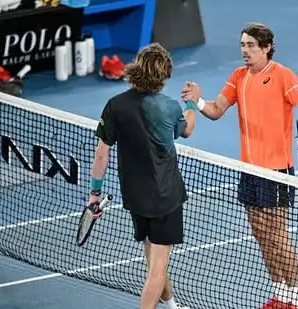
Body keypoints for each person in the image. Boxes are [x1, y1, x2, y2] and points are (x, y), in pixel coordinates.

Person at [181, 23, 298, 309]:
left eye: (251, 46)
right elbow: (217, 110)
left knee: (277, 234)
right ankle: (279, 294)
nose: (245, 50)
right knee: (260, 233)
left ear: (266, 48)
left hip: (277, 170)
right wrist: (198, 101)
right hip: (249, 170)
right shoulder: (238, 77)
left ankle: (295, 299)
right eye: (242, 45)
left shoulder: (283, 76)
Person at [88, 43, 196, 309]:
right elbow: (188, 129)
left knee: (153, 260)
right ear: (163, 75)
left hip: (135, 197)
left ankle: (172, 306)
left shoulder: (114, 106)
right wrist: (193, 100)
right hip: (165, 198)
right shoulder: (169, 107)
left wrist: (95, 193)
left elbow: (101, 154)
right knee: (156, 271)